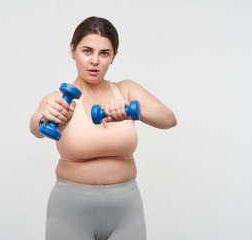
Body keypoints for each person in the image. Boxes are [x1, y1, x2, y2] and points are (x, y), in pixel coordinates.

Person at [30, 16, 177, 240]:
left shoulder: (125, 90)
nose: (95, 61)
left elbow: (169, 118)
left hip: (127, 211)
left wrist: (131, 111)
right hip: (70, 211)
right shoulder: (59, 101)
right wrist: (43, 118)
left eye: (104, 53)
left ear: (113, 57)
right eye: (87, 51)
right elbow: (36, 125)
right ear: (73, 51)